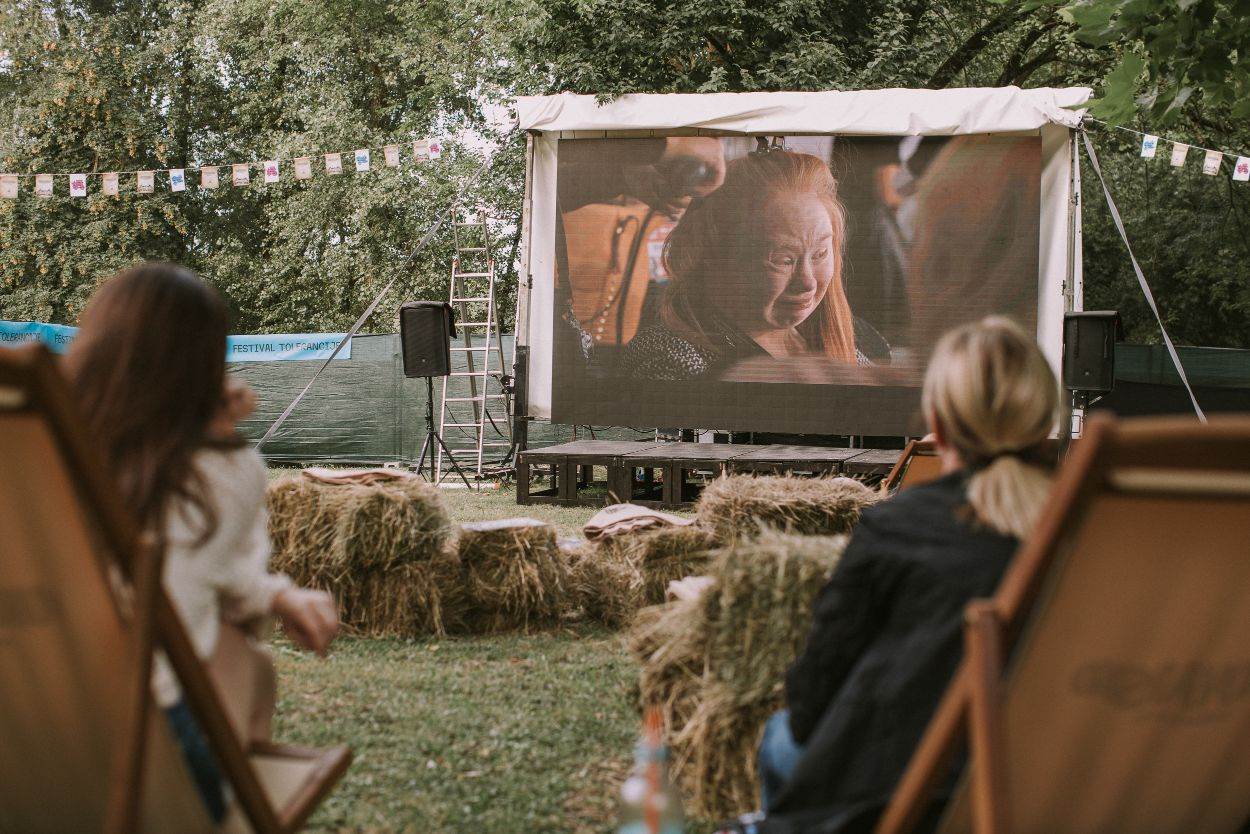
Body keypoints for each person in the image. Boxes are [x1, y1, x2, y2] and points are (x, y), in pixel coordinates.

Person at [750, 316, 1060, 834]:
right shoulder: (1089, 531)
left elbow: (811, 701)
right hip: (1047, 782)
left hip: (905, 794)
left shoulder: (899, 525)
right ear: (1041, 416)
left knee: (780, 736)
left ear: (937, 423)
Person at [64, 262, 339, 822]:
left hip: (31, 726)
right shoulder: (218, 474)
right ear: (205, 366)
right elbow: (232, 598)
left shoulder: (43, 453)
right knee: (249, 664)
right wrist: (225, 441)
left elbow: (175, 568)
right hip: (148, 747)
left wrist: (273, 594)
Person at [620, 149, 870, 381]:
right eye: (783, 260)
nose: (808, 282)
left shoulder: (843, 346)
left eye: (821, 254)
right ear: (716, 255)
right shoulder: (669, 358)